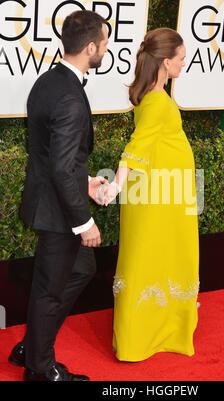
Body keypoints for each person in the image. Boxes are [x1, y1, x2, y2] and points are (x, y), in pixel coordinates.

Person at [8, 10, 108, 381]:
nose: (107, 48)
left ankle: (32, 346)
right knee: (50, 290)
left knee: (81, 269)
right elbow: (61, 168)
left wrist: (86, 181)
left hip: (52, 199)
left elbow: (54, 156)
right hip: (59, 211)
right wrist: (84, 222)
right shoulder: (67, 96)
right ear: (91, 46)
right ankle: (39, 368)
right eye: (105, 42)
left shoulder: (47, 82)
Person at [96, 28, 200, 362]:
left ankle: (154, 332)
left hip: (163, 196)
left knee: (158, 259)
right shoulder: (157, 101)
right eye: (181, 59)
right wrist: (115, 185)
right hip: (159, 200)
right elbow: (135, 149)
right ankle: (140, 338)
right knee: (152, 260)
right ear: (166, 61)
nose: (184, 64)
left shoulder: (153, 96)